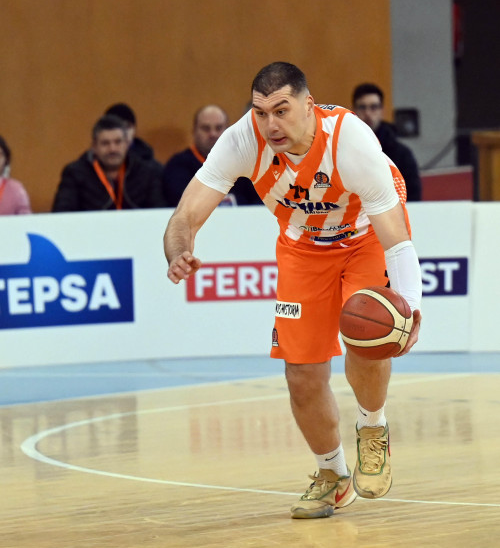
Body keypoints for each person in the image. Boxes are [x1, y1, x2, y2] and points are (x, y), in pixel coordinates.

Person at [164, 62, 423, 520]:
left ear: (309, 105)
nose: (271, 125)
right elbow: (185, 215)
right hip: (303, 246)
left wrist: (411, 311)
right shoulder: (243, 140)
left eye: (282, 111)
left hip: (365, 236)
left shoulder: (351, 140)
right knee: (301, 376)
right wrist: (179, 250)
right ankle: (332, 476)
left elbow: (397, 239)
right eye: (261, 113)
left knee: (366, 336)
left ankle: (372, 426)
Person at [52, 114, 165, 211]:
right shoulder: (75, 174)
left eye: (118, 142)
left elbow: (159, 212)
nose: (112, 149)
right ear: (94, 147)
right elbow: (62, 214)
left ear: (127, 144)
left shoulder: (147, 172)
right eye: (105, 143)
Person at [162, 105, 263, 207]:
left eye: (218, 128)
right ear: (194, 132)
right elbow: (180, 201)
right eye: (206, 128)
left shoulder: (245, 163)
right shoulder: (178, 165)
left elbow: (262, 200)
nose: (213, 134)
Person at [352, 83, 422, 201]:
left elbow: (413, 196)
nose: (368, 113)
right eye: (362, 107)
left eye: (373, 107)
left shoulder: (402, 154)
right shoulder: (343, 149)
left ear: (382, 110)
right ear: (354, 111)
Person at [104, 102, 163, 168]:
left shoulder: (153, 170)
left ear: (134, 129)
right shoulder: (92, 169)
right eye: (116, 127)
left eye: (127, 127)